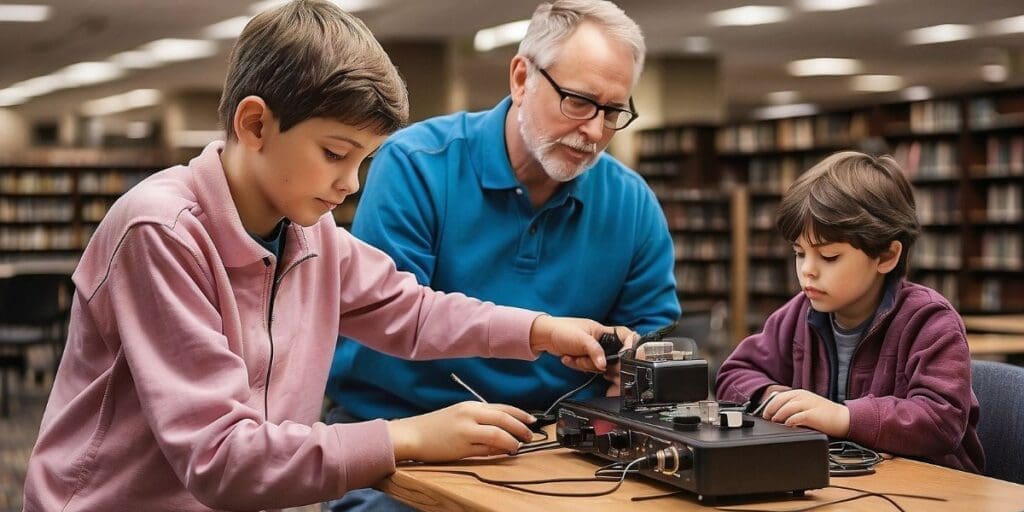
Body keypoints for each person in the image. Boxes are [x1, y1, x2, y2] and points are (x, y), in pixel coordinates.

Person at [21, 2, 628, 510]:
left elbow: (411, 313)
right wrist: (406, 436)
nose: (352, 183)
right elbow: (218, 457)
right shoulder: (161, 230)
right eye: (335, 153)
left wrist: (541, 331)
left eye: (362, 159)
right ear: (256, 125)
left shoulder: (310, 232)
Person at [328, 0, 678, 428]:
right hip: (405, 426)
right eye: (579, 101)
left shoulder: (632, 202)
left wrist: (633, 361)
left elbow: (652, 329)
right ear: (521, 79)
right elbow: (396, 317)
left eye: (612, 112)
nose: (593, 130)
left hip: (557, 433)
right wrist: (543, 331)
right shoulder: (416, 164)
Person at [716, 151, 984, 473]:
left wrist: (843, 417)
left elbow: (942, 421)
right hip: (842, 481)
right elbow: (734, 374)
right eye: (800, 253)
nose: (807, 271)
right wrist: (777, 397)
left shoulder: (930, 321)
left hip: (933, 492)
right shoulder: (799, 313)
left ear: (886, 256)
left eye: (829, 256)